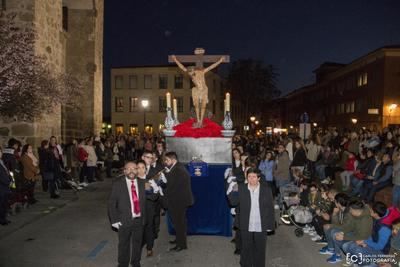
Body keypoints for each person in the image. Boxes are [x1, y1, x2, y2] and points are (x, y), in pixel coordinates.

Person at [228, 168, 275, 267]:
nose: (251, 179)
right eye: (249, 177)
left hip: (261, 223)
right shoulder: (241, 188)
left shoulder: (266, 190)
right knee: (246, 247)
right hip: (246, 223)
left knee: (260, 248)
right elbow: (233, 202)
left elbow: (270, 208)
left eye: (254, 177)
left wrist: (270, 224)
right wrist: (231, 190)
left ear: (258, 178)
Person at [108, 161, 147, 267]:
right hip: (123, 220)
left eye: (134, 168)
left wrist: (156, 190)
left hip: (139, 220)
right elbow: (112, 203)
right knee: (123, 244)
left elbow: (152, 198)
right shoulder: (118, 183)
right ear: (124, 171)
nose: (131, 171)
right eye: (128, 169)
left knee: (137, 243)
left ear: (137, 170)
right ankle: (123, 264)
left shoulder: (143, 183)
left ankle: (135, 262)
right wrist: (114, 220)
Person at [163, 151, 194, 251]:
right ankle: (179, 240)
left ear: (173, 160)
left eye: (167, 160)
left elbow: (171, 187)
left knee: (179, 223)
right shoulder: (176, 167)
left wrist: (163, 182)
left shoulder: (178, 170)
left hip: (179, 201)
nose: (165, 162)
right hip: (178, 200)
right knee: (178, 223)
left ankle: (181, 245)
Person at [0, 146, 12, 225]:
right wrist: (7, 181)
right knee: (1, 204)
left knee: (4, 203)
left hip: (5, 186)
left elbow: (6, 171)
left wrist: (10, 179)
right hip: (1, 187)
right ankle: (2, 219)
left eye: (0, 152)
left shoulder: (2, 161)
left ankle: (4, 218)